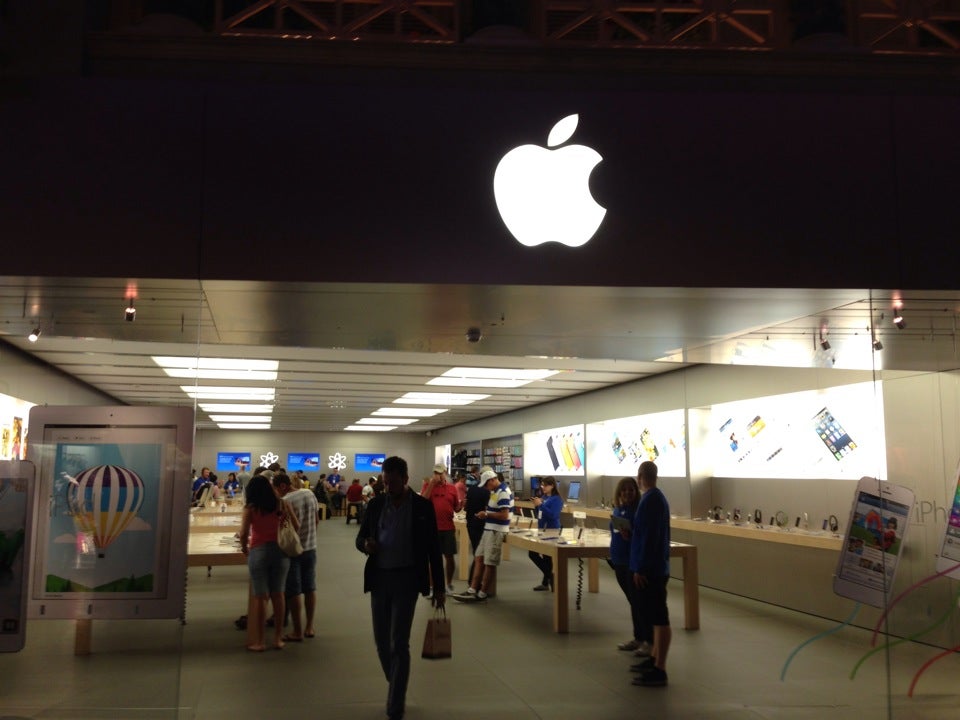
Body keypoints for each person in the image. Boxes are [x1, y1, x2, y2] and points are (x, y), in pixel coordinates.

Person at [355, 456, 444, 720]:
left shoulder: (422, 507)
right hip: (380, 578)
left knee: (399, 642)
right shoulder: (375, 504)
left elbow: (433, 549)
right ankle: (395, 679)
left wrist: (439, 587)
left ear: (406, 480)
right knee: (382, 642)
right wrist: (365, 546)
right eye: (385, 481)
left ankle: (396, 703)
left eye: (393, 482)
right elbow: (359, 538)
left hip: (407, 579)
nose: (388, 486)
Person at [239, 473, 299, 652]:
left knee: (261, 597)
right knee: (278, 595)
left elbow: (243, 533)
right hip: (280, 552)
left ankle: (259, 641)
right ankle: (278, 638)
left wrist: (244, 548)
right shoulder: (282, 503)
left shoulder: (250, 508)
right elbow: (296, 525)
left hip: (258, 551)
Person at [629, 461, 671, 687]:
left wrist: (641, 568)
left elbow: (650, 538)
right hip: (651, 567)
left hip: (651, 570)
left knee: (659, 617)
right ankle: (654, 658)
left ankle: (660, 668)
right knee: (653, 616)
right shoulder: (652, 499)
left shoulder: (652, 500)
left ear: (640, 476)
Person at [453, 468, 513, 602]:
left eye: (487, 484)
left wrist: (486, 514)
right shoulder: (494, 491)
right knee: (479, 558)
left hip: (496, 530)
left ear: (492, 480)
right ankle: (472, 589)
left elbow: (504, 515)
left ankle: (482, 593)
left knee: (489, 562)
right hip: (488, 529)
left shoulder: (503, 492)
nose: (486, 487)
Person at [272, 472, 319, 641]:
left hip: (293, 551)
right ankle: (309, 627)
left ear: (283, 486)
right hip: (311, 547)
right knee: (310, 588)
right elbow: (316, 521)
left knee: (294, 591)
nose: (275, 493)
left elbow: (283, 527)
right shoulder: (310, 494)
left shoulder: (286, 501)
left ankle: (297, 631)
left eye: (276, 489)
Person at [610, 476, 652, 656]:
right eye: (624, 490)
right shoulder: (618, 511)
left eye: (631, 490)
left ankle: (647, 640)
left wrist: (631, 534)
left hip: (631, 562)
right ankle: (638, 637)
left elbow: (642, 537)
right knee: (632, 601)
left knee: (639, 602)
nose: (627, 493)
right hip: (619, 561)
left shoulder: (638, 512)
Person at [421, 463, 462, 593]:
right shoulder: (428, 486)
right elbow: (422, 502)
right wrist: (432, 484)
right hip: (432, 528)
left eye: (440, 473)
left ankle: (448, 584)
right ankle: (432, 586)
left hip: (448, 527)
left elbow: (456, 508)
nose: (437, 475)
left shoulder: (452, 488)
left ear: (445, 473)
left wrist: (462, 505)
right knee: (432, 559)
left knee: (449, 557)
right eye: (435, 473)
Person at [528, 475, 561, 591]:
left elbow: (553, 515)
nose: (543, 487)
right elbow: (539, 514)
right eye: (542, 485)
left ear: (552, 486)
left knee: (545, 556)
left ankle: (549, 579)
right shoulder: (544, 497)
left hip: (552, 531)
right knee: (536, 554)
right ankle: (547, 580)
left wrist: (541, 505)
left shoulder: (557, 499)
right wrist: (537, 506)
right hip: (542, 530)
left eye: (545, 485)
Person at [462, 466, 491, 588]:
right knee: (480, 554)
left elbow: (466, 506)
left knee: (477, 552)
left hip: (470, 524)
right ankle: (474, 583)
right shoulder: (487, 491)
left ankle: (476, 583)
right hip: (481, 525)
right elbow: (487, 509)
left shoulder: (472, 489)